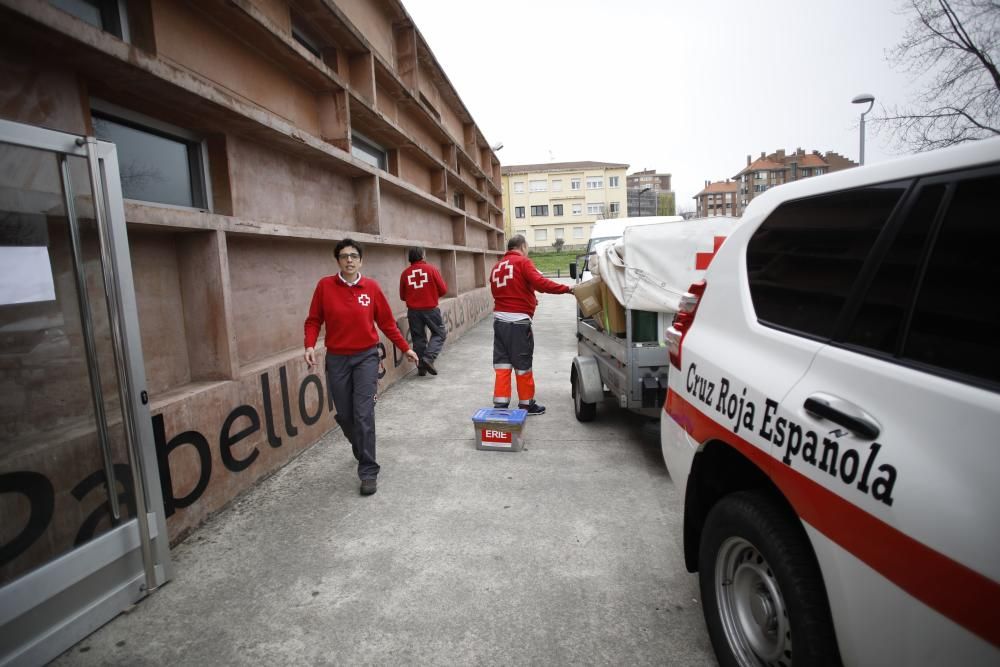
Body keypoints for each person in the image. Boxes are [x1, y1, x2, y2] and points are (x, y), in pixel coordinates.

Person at [304, 238, 418, 496]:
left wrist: (405, 348)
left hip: (366, 357)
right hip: (337, 359)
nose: (349, 260)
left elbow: (387, 323)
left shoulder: (372, 288)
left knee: (364, 414)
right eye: (344, 256)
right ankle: (360, 447)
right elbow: (313, 320)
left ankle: (368, 470)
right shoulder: (324, 286)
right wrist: (309, 345)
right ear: (338, 261)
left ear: (361, 260)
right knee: (345, 414)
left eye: (354, 256)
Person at [489, 234, 575, 415]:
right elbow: (541, 284)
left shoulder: (497, 267)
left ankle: (500, 405)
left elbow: (507, 290)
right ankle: (527, 404)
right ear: (522, 246)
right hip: (519, 324)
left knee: (502, 363)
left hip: (499, 323)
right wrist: (567, 289)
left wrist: (529, 300)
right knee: (523, 364)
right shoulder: (523, 263)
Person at [399, 247, 448, 376]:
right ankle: (428, 358)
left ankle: (421, 367)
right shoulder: (431, 269)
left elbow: (402, 296)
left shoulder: (405, 273)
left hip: (413, 312)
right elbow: (443, 290)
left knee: (418, 339)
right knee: (440, 333)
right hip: (430, 309)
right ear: (422, 256)